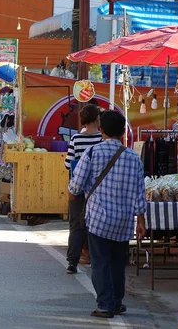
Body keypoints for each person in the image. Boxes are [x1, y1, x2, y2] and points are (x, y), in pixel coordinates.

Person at [68, 110, 146, 319]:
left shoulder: (93, 153)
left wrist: (74, 192)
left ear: (101, 129)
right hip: (123, 221)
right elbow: (140, 192)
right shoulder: (133, 158)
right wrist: (141, 220)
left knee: (100, 262)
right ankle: (117, 303)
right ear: (122, 132)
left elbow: (76, 186)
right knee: (117, 264)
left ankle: (104, 305)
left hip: (99, 219)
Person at [64, 104, 103, 274]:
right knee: (95, 224)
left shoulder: (76, 139)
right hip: (98, 190)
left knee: (76, 225)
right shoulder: (102, 140)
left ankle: (72, 262)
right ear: (97, 119)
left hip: (78, 188)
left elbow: (67, 164)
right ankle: (96, 259)